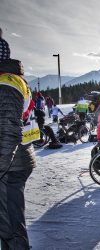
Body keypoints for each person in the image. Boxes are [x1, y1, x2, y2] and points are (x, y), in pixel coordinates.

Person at [0, 57, 39, 248]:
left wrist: (1, 167)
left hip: (11, 164)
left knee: (10, 227)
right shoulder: (15, 80)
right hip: (18, 158)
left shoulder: (6, 82)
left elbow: (7, 129)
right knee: (9, 224)